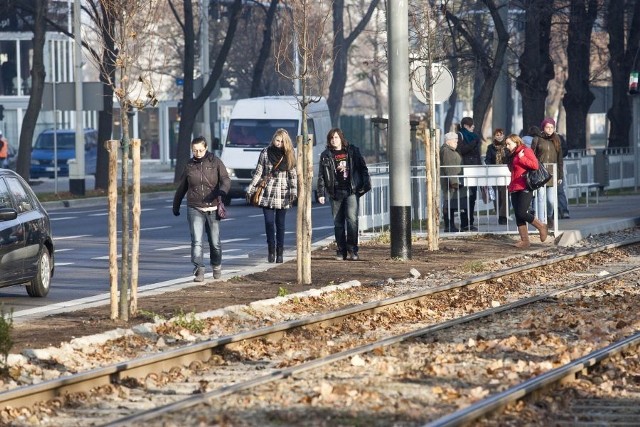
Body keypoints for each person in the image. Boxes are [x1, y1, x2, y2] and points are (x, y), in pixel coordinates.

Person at [173, 136, 231, 282]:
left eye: (200, 150)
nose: (197, 153)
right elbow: (182, 187)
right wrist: (176, 204)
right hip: (195, 207)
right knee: (197, 241)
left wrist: (222, 191)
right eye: (194, 150)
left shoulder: (215, 162)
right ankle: (199, 269)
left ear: (206, 148)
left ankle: (216, 265)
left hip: (212, 207)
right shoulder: (189, 165)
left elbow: (225, 179)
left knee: (215, 242)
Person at [317, 128, 371, 261]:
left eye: (336, 137)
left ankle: (353, 250)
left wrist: (364, 185)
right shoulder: (326, 155)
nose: (334, 140)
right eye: (331, 138)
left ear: (341, 138)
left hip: (351, 190)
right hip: (335, 192)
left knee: (352, 220)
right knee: (338, 223)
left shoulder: (352, 151)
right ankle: (341, 251)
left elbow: (363, 168)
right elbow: (322, 176)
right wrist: (321, 193)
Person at [246, 128, 298, 263]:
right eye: (277, 140)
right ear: (273, 139)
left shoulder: (289, 155)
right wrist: (251, 188)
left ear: (286, 142)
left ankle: (280, 252)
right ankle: (271, 250)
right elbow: (258, 172)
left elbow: (292, 176)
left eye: (281, 141)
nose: (279, 143)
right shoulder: (265, 152)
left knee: (280, 224)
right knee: (269, 223)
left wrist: (293, 192)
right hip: (267, 192)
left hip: (283, 192)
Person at [505, 134, 548, 248]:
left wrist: (522, 158)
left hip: (525, 186)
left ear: (516, 142)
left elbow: (534, 165)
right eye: (506, 144)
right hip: (514, 186)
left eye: (509, 143)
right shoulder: (512, 154)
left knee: (521, 212)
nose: (507, 146)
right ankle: (525, 241)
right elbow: (513, 170)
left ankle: (541, 226)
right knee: (518, 215)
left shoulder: (526, 150)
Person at [531, 117, 563, 228]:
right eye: (547, 127)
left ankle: (549, 216)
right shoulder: (537, 139)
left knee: (551, 201)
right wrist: (533, 171)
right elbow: (532, 156)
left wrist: (560, 175)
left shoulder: (557, 139)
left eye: (551, 127)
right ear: (543, 128)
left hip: (552, 174)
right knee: (540, 197)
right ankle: (541, 222)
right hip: (540, 173)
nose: (549, 129)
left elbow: (560, 159)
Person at [456, 117, 482, 231]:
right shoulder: (460, 136)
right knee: (465, 198)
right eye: (472, 125)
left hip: (474, 170)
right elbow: (462, 150)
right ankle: (464, 223)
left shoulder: (474, 137)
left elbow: (477, 155)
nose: (474, 127)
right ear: (466, 126)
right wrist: (473, 143)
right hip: (465, 170)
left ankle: (470, 221)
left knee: (472, 197)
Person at [484, 128, 510, 225]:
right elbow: (487, 159)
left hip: (505, 174)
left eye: (501, 134)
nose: (499, 136)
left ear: (503, 135)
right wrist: (491, 166)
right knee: (496, 196)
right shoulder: (491, 147)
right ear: (494, 136)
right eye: (497, 135)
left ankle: (503, 216)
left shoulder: (507, 146)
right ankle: (499, 213)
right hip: (494, 174)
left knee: (504, 195)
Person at [440, 132, 463, 232]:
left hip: (451, 180)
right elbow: (449, 168)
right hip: (449, 181)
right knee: (448, 203)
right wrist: (454, 182)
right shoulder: (447, 151)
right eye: (455, 141)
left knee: (451, 203)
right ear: (448, 141)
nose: (456, 143)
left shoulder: (450, 150)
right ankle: (449, 226)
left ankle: (451, 225)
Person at [556, 132, 571, 219]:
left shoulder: (559, 137)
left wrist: (559, 155)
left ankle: (564, 210)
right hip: (547, 168)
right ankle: (555, 211)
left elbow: (565, 150)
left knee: (560, 190)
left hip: (558, 167)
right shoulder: (542, 138)